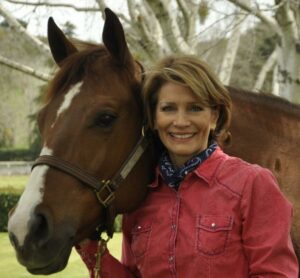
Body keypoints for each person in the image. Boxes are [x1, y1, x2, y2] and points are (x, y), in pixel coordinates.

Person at [76, 55, 299, 277]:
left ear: (214, 117)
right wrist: (87, 244)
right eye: (168, 109)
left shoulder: (252, 183)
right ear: (153, 119)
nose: (181, 122)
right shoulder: (143, 197)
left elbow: (275, 273)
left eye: (195, 108)